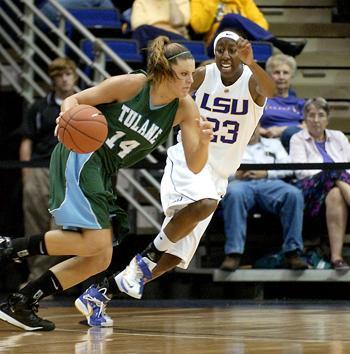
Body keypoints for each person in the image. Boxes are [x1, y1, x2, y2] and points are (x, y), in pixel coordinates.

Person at [0, 36, 213, 331]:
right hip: (82, 155)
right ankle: (7, 247)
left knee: (99, 257)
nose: (191, 80)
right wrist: (70, 118)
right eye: (184, 74)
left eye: (192, 73)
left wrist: (203, 142)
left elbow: (195, 164)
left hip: (105, 169)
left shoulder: (184, 108)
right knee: (98, 243)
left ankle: (22, 301)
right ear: (163, 73)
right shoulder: (134, 85)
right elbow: (73, 100)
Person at [75, 30, 276, 326]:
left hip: (219, 175)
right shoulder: (203, 74)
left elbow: (271, 89)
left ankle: (100, 293)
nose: (225, 56)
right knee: (205, 203)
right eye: (220, 49)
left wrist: (253, 63)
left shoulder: (252, 82)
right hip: (190, 159)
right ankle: (142, 261)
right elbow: (165, 86)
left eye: (231, 50)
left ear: (240, 53)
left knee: (172, 258)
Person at [220, 124, 308, 271]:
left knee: (293, 194)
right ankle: (233, 254)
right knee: (233, 193)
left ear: (259, 127)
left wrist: (266, 172)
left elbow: (288, 167)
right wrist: (234, 175)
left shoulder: (273, 144)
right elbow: (216, 169)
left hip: (269, 183)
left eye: (254, 125)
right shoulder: (229, 144)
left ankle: (293, 252)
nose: (251, 128)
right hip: (241, 184)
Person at [20, 57, 77, 283]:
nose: (63, 79)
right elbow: (27, 140)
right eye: (58, 76)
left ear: (75, 76)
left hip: (68, 170)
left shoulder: (84, 105)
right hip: (38, 168)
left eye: (67, 74)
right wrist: (26, 174)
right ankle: (37, 279)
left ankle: (38, 280)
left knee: (60, 226)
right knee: (34, 225)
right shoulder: (39, 107)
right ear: (52, 80)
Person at [290, 97, 350, 270]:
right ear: (305, 118)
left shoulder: (338, 136)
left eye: (321, 115)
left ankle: (337, 258)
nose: (316, 120)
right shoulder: (297, 139)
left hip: (339, 188)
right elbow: (301, 172)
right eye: (311, 115)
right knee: (334, 170)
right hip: (309, 191)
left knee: (336, 194)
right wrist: (330, 175)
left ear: (327, 118)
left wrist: (336, 181)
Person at [190, 0, 306, 57]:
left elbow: (262, 26)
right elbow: (199, 27)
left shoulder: (243, 1)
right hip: (215, 48)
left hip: (244, 45)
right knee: (229, 20)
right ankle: (279, 44)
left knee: (232, 19)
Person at [259, 54, 305, 151]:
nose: (281, 77)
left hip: (296, 143)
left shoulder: (300, 103)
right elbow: (250, 126)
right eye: (277, 73)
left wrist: (280, 130)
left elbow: (308, 126)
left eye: (285, 73)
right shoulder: (261, 100)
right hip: (267, 142)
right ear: (269, 76)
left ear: (291, 76)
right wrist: (266, 132)